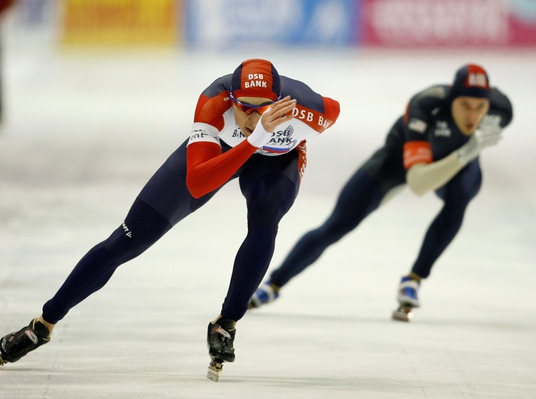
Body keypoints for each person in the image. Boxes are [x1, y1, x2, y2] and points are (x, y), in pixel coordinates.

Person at [0, 59, 340, 379]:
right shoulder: (213, 103)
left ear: (279, 101)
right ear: (231, 99)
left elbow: (335, 109)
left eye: (262, 107)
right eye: (244, 107)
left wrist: (269, 142)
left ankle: (227, 321)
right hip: (220, 154)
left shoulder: (311, 110)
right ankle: (43, 324)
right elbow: (198, 182)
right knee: (128, 239)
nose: (251, 116)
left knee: (266, 219)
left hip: (276, 163)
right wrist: (255, 140)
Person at [249, 64, 513, 320]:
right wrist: (469, 150)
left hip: (453, 166)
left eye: (480, 108)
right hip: (395, 164)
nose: (472, 115)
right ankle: (274, 284)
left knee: (462, 195)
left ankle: (414, 279)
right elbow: (419, 182)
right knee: (337, 225)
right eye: (464, 105)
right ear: (451, 100)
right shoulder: (426, 105)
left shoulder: (501, 109)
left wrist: (467, 155)